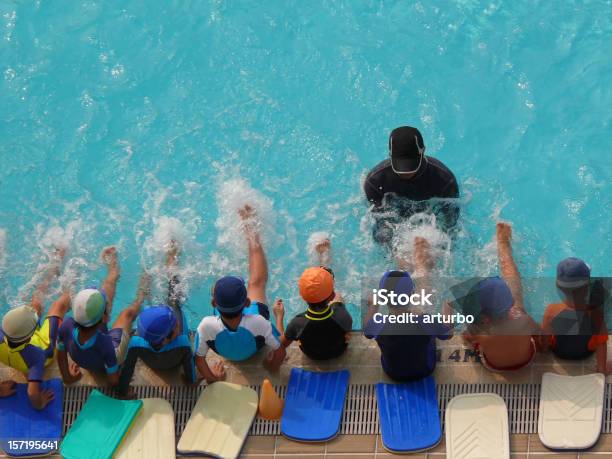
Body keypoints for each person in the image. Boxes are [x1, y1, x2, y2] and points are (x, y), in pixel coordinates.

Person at [195, 205, 286, 383]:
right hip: (253, 348)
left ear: (214, 304)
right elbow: (280, 351)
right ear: (246, 303)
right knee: (256, 282)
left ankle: (250, 228)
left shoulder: (205, 325)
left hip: (225, 350)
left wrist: (212, 378)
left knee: (224, 289)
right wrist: (271, 366)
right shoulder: (259, 322)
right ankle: (251, 231)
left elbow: (198, 359)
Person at [364, 238, 453, 381]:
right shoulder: (424, 320)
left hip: (392, 372)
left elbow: (367, 331)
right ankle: (421, 267)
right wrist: (448, 307)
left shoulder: (378, 323)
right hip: (425, 370)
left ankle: (407, 262)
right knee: (420, 313)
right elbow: (447, 333)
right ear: (412, 294)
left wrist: (374, 306)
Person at [57, 247, 146, 386]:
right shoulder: (104, 343)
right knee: (128, 313)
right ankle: (142, 293)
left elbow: (61, 355)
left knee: (105, 290)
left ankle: (113, 270)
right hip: (101, 362)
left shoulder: (66, 325)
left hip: (86, 357)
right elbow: (113, 380)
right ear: (104, 319)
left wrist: (68, 378)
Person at [117, 241, 196, 398]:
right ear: (166, 339)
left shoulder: (136, 343)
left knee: (146, 305)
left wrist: (123, 392)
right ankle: (172, 258)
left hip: (151, 362)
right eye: (175, 325)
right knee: (174, 301)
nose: (178, 324)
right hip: (172, 363)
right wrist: (189, 381)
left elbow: (127, 372)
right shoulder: (183, 344)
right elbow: (191, 377)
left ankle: (145, 282)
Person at [462, 223, 541, 371]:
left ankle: (503, 243)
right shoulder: (524, 321)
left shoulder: (481, 333)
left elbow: (466, 339)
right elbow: (539, 334)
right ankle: (503, 243)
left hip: (494, 366)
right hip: (526, 361)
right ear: (508, 304)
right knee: (519, 303)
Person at [363, 126, 459, 245]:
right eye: (401, 164)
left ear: (423, 151)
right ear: (390, 155)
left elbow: (450, 225)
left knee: (426, 248)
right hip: (394, 213)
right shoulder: (375, 181)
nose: (406, 172)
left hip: (429, 215)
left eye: (410, 165)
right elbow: (380, 224)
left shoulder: (444, 180)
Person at [0, 248, 70, 409]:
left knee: (35, 306)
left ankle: (55, 265)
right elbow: (32, 393)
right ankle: (66, 279)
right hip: (45, 348)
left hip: (18, 350)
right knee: (62, 303)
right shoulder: (36, 356)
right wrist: (39, 403)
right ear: (32, 331)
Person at [276, 238, 353, 360]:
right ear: (331, 295)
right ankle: (324, 265)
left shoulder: (297, 323)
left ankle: (323, 267)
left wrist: (279, 316)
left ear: (302, 296)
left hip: (311, 355)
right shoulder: (341, 314)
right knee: (339, 298)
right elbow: (348, 331)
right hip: (338, 352)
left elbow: (280, 345)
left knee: (321, 289)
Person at [541, 257, 609, 373]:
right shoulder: (596, 314)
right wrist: (601, 369)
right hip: (585, 353)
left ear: (558, 287)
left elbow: (545, 338)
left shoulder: (551, 310)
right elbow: (601, 344)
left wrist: (544, 349)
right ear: (587, 287)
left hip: (558, 351)